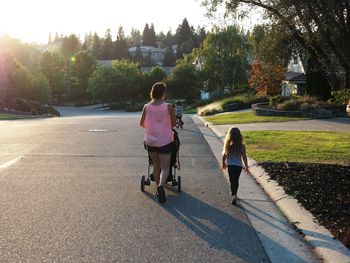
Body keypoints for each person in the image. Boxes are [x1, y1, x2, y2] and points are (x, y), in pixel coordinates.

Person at [140, 82, 176, 204]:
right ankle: (161, 185)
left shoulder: (146, 107)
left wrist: (152, 127)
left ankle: (157, 187)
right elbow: (173, 124)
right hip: (165, 141)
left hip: (151, 141)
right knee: (165, 167)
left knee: (156, 165)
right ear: (163, 93)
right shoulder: (169, 107)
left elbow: (141, 123)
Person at [222, 127, 250, 205]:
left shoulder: (228, 145)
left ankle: (233, 195)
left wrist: (223, 163)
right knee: (236, 180)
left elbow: (224, 155)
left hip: (231, 165)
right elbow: (244, 157)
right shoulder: (242, 146)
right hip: (238, 166)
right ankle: (235, 194)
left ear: (230, 136)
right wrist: (246, 167)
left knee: (232, 180)